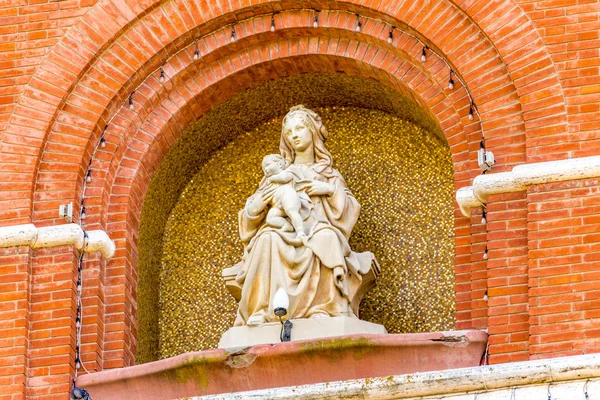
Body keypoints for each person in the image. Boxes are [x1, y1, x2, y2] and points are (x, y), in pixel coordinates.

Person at [234, 105, 368, 326]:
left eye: (299, 128)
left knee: (327, 238)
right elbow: (249, 218)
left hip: (316, 228)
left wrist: (327, 190)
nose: (294, 135)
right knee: (267, 238)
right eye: (289, 132)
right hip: (281, 231)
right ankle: (261, 310)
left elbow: (349, 208)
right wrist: (256, 206)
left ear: (312, 132)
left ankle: (322, 307)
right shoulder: (276, 174)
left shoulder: (327, 174)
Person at [261, 154, 308, 241]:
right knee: (270, 218)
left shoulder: (287, 172)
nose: (265, 170)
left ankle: (300, 231)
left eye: (267, 165)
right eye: (263, 169)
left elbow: (284, 178)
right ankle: (286, 225)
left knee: (292, 212)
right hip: (277, 204)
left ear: (279, 164)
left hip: (288, 197)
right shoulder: (267, 181)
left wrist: (272, 179)